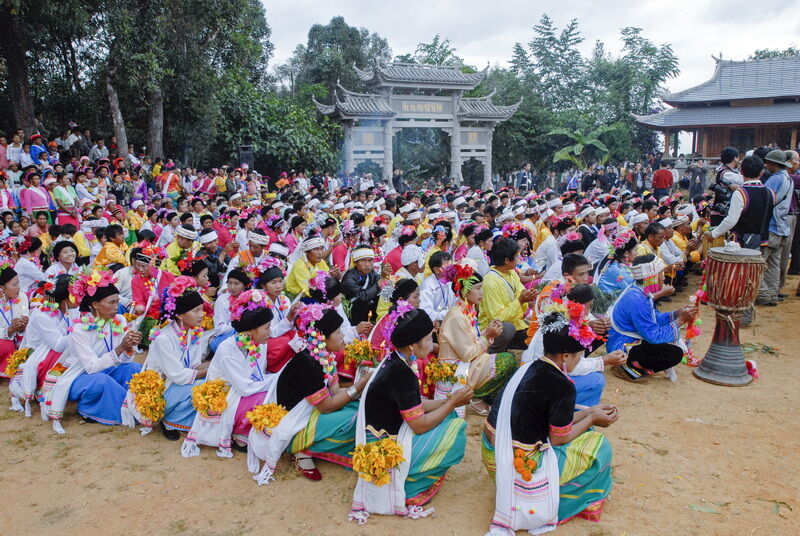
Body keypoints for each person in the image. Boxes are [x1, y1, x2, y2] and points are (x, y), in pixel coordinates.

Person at [482, 305, 617, 534]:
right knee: (599, 446)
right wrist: (592, 418)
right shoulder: (562, 385)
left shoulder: (529, 367)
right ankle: (564, 502)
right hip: (518, 463)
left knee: (585, 429)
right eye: (578, 356)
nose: (579, 361)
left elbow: (544, 420)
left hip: (492, 453)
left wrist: (588, 412)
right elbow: (558, 438)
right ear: (565, 356)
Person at [349, 306, 471, 523]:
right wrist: (452, 402)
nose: (433, 343)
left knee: (449, 416)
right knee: (457, 431)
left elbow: (414, 404)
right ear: (413, 345)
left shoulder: (397, 360)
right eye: (428, 338)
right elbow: (419, 425)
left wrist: (447, 402)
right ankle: (410, 484)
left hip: (391, 431)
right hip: (385, 445)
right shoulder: (401, 372)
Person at [264, 305, 367, 482]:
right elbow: (327, 406)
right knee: (357, 417)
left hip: (312, 410)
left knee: (362, 406)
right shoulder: (308, 362)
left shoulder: (324, 355)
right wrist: (358, 386)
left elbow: (335, 391)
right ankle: (301, 448)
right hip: (295, 419)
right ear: (322, 337)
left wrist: (360, 389)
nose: (343, 336)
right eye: (338, 332)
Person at [42, 267, 142, 434]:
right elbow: (91, 367)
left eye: (117, 301)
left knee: (135, 369)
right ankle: (96, 408)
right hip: (80, 376)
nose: (117, 306)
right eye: (112, 302)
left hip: (108, 370)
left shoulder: (119, 320)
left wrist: (130, 347)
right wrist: (120, 348)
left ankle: (138, 404)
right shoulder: (81, 329)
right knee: (102, 381)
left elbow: (125, 361)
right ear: (95, 304)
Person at [183, 290, 274, 457]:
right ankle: (241, 436)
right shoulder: (228, 348)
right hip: (225, 396)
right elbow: (244, 388)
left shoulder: (259, 343)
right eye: (267, 328)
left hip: (242, 388)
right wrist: (276, 380)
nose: (270, 332)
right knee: (267, 395)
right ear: (250, 331)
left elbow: (257, 376)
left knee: (273, 393)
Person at [437, 261, 516, 415]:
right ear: (465, 291)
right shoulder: (456, 316)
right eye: (478, 288)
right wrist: (487, 335)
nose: (482, 293)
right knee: (506, 361)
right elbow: (467, 354)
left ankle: (490, 399)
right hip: (456, 371)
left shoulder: (467, 311)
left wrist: (488, 333)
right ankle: (474, 399)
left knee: (510, 363)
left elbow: (474, 346)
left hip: (467, 364)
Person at [139, 276, 209, 440]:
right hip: (163, 389)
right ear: (180, 315)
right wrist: (208, 371)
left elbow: (195, 364)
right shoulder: (164, 338)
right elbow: (177, 375)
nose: (202, 314)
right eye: (196, 310)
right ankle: (169, 420)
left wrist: (213, 369)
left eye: (201, 309)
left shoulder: (193, 331)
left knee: (214, 383)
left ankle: (180, 419)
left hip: (178, 384)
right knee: (202, 386)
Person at [606, 254, 696, 381]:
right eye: (660, 273)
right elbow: (653, 336)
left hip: (629, 339)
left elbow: (654, 318)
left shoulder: (639, 291)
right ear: (651, 278)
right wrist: (680, 320)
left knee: (669, 344)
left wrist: (676, 313)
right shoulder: (637, 299)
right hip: (623, 346)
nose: (663, 277)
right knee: (674, 354)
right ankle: (626, 366)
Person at [9, 276, 76, 415]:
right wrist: (80, 331)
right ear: (64, 301)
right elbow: (57, 345)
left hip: (52, 354)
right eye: (76, 295)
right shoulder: (42, 315)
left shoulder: (71, 309)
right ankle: (43, 386)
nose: (80, 298)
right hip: (35, 357)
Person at [480, 238, 535, 353]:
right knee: (508, 329)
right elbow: (496, 318)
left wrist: (529, 298)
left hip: (514, 321)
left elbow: (521, 293)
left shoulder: (512, 273)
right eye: (516, 256)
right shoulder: (490, 281)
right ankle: (491, 354)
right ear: (507, 260)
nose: (518, 259)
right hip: (496, 328)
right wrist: (520, 301)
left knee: (536, 330)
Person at [710, 154, 773, 250]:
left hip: (743, 241)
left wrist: (714, 233)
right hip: (763, 240)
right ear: (761, 172)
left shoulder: (741, 192)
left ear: (741, 172)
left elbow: (731, 219)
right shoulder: (770, 192)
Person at [756, 150, 793, 306]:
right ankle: (772, 295)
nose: (766, 165)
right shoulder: (788, 178)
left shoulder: (774, 179)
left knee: (758, 263)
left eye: (768, 162)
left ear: (773, 163)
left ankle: (763, 294)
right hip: (782, 227)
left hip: (771, 227)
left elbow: (764, 200)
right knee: (774, 265)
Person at [0, 263, 30, 379]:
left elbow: (23, 324)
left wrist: (22, 326)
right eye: (15, 284)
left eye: (19, 283)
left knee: (26, 339)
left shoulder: (21, 297)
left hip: (14, 340)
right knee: (5, 345)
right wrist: (9, 330)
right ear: (2, 288)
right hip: (4, 342)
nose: (19, 287)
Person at [340, 246, 384, 324]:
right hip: (353, 312)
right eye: (363, 261)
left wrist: (384, 276)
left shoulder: (370, 271)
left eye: (370, 260)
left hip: (366, 308)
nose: (367, 264)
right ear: (356, 263)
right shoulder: (349, 277)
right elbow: (362, 296)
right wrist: (377, 285)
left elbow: (379, 282)